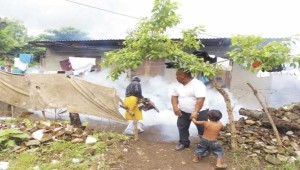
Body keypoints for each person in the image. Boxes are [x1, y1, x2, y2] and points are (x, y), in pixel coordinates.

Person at [171, 68, 209, 151]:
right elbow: (174, 96)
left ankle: (205, 147)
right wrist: (175, 107)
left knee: (202, 129)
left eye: (177, 76)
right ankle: (184, 143)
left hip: (200, 112)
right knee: (182, 126)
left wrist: (195, 112)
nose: (176, 77)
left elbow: (200, 99)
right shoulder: (177, 85)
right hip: (183, 111)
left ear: (183, 76)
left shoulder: (198, 84)